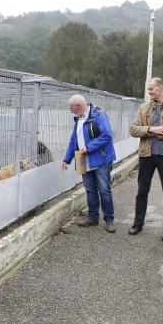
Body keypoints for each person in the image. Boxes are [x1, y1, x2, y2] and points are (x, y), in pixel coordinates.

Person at [129, 77, 163, 241]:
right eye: (149, 89)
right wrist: (152, 129)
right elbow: (133, 129)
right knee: (141, 191)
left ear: (161, 88)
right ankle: (137, 224)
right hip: (146, 155)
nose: (149, 91)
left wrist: (161, 132)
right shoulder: (144, 107)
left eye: (151, 88)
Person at [62, 95, 117, 233]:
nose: (71, 111)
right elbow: (74, 139)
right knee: (90, 189)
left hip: (101, 160)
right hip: (84, 159)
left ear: (79, 106)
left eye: (71, 108)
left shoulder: (98, 115)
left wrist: (89, 147)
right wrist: (67, 159)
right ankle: (92, 217)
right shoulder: (78, 119)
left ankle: (109, 220)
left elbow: (107, 135)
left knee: (104, 190)